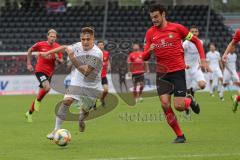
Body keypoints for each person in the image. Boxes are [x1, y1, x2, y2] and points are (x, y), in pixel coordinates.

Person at [143, 4, 208, 143]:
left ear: (163, 15)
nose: (154, 20)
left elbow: (197, 41)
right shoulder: (150, 33)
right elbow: (144, 57)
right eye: (152, 17)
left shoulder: (178, 28)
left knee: (179, 106)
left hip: (177, 71)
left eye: (156, 17)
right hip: (161, 74)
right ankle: (180, 135)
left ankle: (189, 100)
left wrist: (203, 59)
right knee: (165, 104)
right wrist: (149, 51)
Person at [39, 27, 103, 139]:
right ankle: (56, 130)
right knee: (66, 101)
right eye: (83, 39)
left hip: (92, 86)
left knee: (84, 111)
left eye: (88, 39)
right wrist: (47, 53)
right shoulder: (78, 45)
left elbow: (86, 71)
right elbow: (64, 47)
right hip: (77, 81)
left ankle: (82, 119)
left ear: (93, 39)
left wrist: (72, 58)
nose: (85, 42)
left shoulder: (97, 53)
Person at [25, 29, 63, 123]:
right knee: (47, 88)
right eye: (51, 36)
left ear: (56, 38)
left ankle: (29, 113)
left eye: (54, 37)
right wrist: (29, 64)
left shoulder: (58, 47)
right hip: (40, 70)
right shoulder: (40, 44)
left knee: (43, 91)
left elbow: (61, 62)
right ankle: (37, 101)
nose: (52, 38)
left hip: (49, 73)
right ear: (47, 36)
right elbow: (30, 50)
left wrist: (58, 59)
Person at [183, 25, 207, 97]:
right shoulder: (186, 43)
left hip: (196, 68)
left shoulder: (200, 42)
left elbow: (201, 53)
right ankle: (189, 96)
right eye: (192, 32)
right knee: (187, 92)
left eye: (196, 31)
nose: (194, 33)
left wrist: (201, 63)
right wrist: (183, 64)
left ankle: (193, 89)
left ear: (198, 33)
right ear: (189, 33)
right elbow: (180, 55)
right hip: (187, 69)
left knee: (202, 85)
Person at [222, 28, 240, 112]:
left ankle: (236, 98)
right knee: (225, 83)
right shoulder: (239, 31)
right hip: (228, 70)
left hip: (233, 70)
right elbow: (232, 43)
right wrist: (225, 54)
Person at [97, 40, 110, 106]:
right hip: (95, 76)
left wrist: (109, 66)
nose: (100, 46)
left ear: (103, 46)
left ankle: (102, 99)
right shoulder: (94, 54)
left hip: (103, 75)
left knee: (106, 90)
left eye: (101, 45)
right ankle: (93, 104)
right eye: (99, 45)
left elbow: (107, 60)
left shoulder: (106, 53)